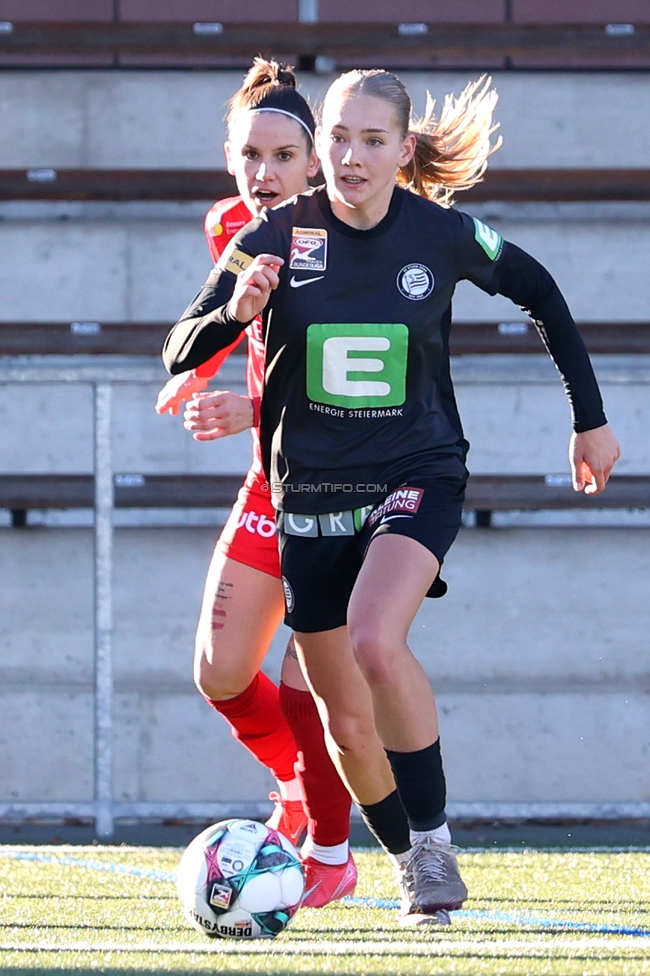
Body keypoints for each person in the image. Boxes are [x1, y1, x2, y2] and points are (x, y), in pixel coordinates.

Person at [162, 68, 621, 926]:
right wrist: (235, 311)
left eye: (373, 140)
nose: (352, 155)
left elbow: (541, 292)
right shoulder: (269, 236)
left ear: (402, 151)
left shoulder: (441, 234)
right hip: (310, 497)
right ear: (319, 146)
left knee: (378, 637)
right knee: (343, 723)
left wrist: (589, 422)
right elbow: (177, 347)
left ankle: (437, 840)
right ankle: (406, 857)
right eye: (339, 138)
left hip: (417, 474)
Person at [156, 60, 358, 908]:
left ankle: (336, 854)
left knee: (309, 679)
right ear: (231, 157)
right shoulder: (231, 224)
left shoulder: (353, 233)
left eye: (283, 156)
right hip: (270, 477)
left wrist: (255, 406)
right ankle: (294, 788)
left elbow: (364, 373)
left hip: (352, 478)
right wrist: (198, 362)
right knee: (220, 671)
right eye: (251, 155)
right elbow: (224, 319)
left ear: (315, 160)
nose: (265, 173)